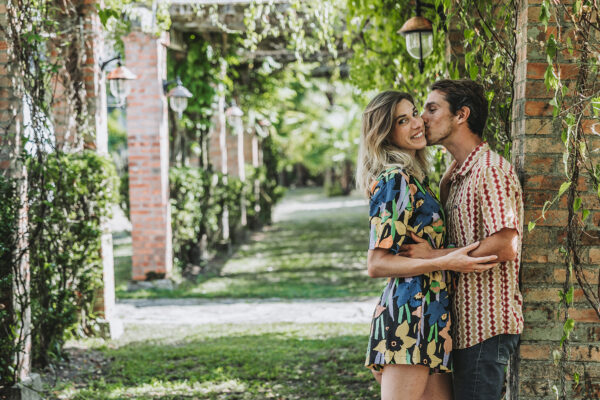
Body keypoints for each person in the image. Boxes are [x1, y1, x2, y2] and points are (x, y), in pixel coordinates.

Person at [357, 90, 498, 400]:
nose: (416, 123)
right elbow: (377, 263)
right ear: (385, 133)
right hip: (409, 316)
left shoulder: (415, 178)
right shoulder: (395, 180)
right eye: (402, 120)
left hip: (431, 315)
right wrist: (444, 261)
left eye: (415, 113)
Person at [399, 79, 524, 400]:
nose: (422, 118)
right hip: (460, 327)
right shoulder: (454, 176)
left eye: (432, 108)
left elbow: (506, 244)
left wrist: (435, 255)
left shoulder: (491, 171)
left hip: (486, 327)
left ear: (461, 115)